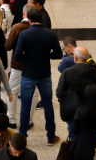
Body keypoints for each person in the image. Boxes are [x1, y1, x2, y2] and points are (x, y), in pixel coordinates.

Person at [13, 8, 62, 145]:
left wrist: (26, 55)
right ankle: (51, 136)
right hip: (44, 74)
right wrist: (48, 55)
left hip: (28, 74)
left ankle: (22, 137)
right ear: (40, 19)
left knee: (25, 106)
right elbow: (58, 54)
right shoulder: (51, 34)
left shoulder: (25, 34)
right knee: (48, 105)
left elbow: (17, 56)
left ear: (29, 20)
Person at [4, 5, 39, 129]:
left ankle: (11, 119)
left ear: (24, 14)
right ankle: (28, 120)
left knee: (13, 90)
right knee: (34, 94)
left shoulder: (17, 27)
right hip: (34, 67)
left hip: (18, 66)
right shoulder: (40, 29)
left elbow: (7, 47)